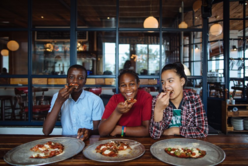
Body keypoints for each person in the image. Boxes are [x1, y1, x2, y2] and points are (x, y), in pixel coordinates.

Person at [43, 64, 104, 140]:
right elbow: (46, 131)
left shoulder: (95, 100)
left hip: (88, 141)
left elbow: (99, 131)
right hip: (66, 142)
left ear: (85, 81)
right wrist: (59, 101)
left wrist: (89, 132)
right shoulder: (57, 96)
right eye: (71, 77)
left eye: (80, 78)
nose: (75, 81)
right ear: (67, 79)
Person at [149, 62, 208, 139]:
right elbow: (155, 135)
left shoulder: (194, 99)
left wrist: (174, 130)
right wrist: (158, 110)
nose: (166, 86)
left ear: (182, 82)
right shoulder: (157, 100)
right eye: (163, 82)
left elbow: (203, 131)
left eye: (170, 81)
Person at [98, 70, 153, 137]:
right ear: (119, 87)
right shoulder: (115, 99)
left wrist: (120, 130)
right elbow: (102, 131)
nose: (128, 88)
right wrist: (117, 112)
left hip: (141, 141)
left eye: (132, 84)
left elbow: (147, 130)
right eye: (123, 85)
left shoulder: (146, 97)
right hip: (117, 142)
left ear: (138, 84)